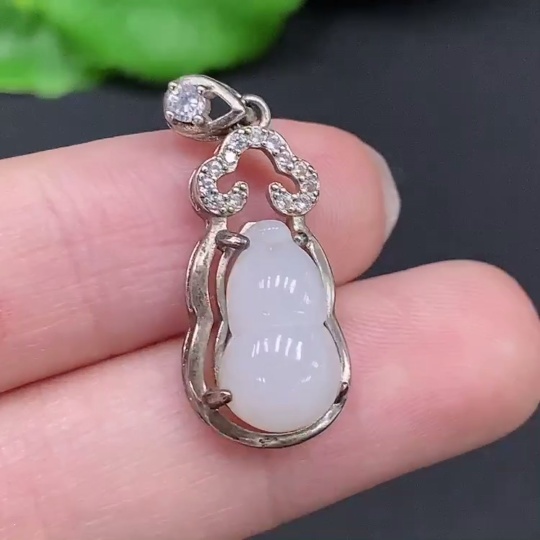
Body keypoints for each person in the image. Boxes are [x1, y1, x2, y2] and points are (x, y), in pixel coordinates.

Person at [0, 120, 538, 539]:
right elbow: (213, 304)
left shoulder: (278, 272)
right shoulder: (262, 268)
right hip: (259, 369)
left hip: (281, 366)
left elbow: (260, 298)